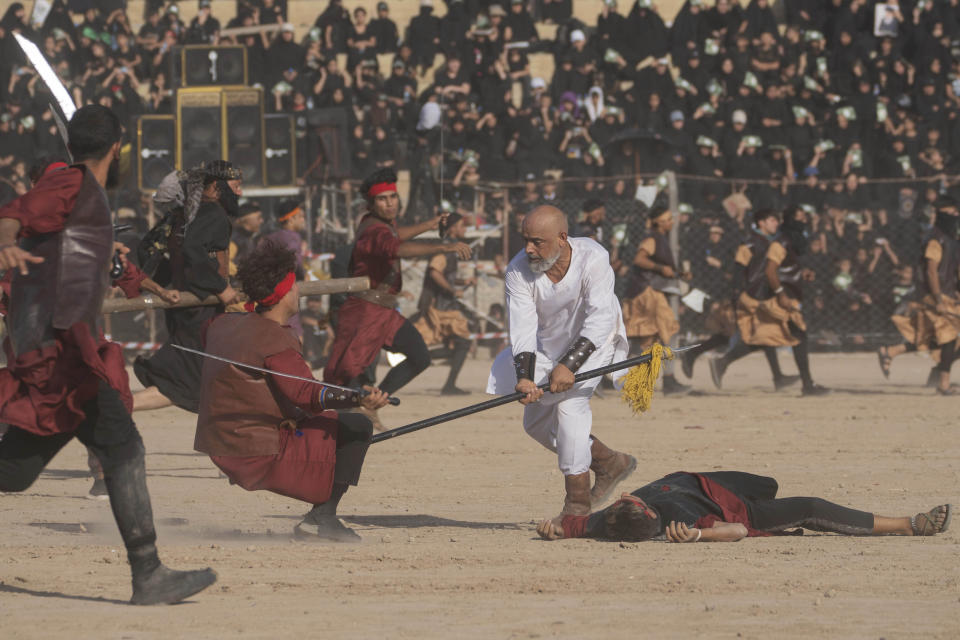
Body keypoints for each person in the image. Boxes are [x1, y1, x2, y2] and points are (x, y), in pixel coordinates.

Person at [0, 105, 216, 604]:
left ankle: (149, 573)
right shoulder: (72, 184)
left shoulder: (88, 196)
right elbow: (15, 212)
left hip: (66, 353)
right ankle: (149, 574)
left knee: (15, 472)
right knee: (124, 449)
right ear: (118, 148)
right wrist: (8, 242)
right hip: (59, 356)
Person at [196, 242, 390, 541]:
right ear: (286, 293)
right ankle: (321, 518)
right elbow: (307, 395)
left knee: (329, 421)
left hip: (219, 441)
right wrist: (357, 397)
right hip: (253, 449)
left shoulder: (220, 323)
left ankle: (320, 514)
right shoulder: (275, 339)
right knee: (357, 426)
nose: (299, 291)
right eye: (295, 285)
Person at [486, 205, 636, 530]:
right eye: (526, 240)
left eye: (537, 242)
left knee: (571, 408)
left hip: (595, 340)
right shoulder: (518, 270)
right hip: (548, 344)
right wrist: (525, 378)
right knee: (536, 425)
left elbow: (600, 317)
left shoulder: (593, 257)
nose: (528, 249)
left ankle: (577, 507)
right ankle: (610, 462)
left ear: (563, 238)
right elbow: (523, 328)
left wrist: (569, 365)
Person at [323, 168, 471, 426]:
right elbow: (396, 247)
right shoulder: (373, 231)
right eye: (382, 199)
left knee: (419, 356)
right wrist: (443, 246)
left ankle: (373, 402)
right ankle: (343, 423)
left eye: (393, 197)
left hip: (385, 312)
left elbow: (397, 234)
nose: (390, 203)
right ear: (371, 203)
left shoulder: (382, 224)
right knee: (348, 376)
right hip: (365, 311)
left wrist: (430, 223)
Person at [535, 470, 951, 542]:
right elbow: (733, 532)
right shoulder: (677, 521)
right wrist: (700, 534)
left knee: (768, 484)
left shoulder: (602, 522)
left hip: (706, 482)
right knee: (806, 505)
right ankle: (910, 525)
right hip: (737, 512)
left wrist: (550, 529)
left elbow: (565, 526)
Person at [133, 161, 242, 412]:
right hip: (201, 312)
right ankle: (115, 408)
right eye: (235, 187)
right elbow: (193, 249)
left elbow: (146, 250)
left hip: (186, 310)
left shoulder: (179, 216)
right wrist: (220, 288)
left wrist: (167, 280)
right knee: (184, 384)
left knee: (197, 381)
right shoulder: (213, 214)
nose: (240, 193)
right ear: (216, 187)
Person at [729, 207, 829, 396]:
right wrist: (781, 293)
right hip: (775, 297)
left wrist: (801, 274)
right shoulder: (779, 242)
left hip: (781, 295)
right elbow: (769, 271)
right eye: (799, 217)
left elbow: (785, 268)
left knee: (769, 336)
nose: (803, 221)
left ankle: (721, 363)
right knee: (797, 335)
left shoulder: (787, 242)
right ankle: (806, 384)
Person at [699, 209, 799, 390]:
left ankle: (777, 377)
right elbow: (739, 269)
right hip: (753, 295)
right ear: (761, 222)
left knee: (765, 335)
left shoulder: (770, 242)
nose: (775, 224)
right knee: (764, 335)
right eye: (772, 220)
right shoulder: (751, 243)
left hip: (763, 294)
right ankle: (723, 362)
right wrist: (737, 294)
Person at [881, 197, 960, 394]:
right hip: (937, 295)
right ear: (942, 214)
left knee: (937, 337)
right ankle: (943, 383)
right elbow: (932, 271)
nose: (956, 216)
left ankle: (892, 351)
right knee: (948, 336)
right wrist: (938, 298)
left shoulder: (951, 238)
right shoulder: (935, 239)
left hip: (950, 293)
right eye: (952, 213)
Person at [621, 205, 690, 394]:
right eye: (668, 219)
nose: (671, 222)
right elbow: (640, 260)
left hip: (650, 290)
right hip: (647, 292)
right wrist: (660, 268)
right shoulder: (652, 238)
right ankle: (668, 380)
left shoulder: (661, 239)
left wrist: (678, 273)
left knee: (647, 338)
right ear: (659, 221)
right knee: (665, 327)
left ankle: (611, 374)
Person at [413, 212, 476, 395]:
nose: (464, 229)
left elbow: (445, 276)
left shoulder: (450, 249)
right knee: (462, 343)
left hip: (444, 305)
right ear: (454, 228)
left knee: (457, 346)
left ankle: (446, 381)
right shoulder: (445, 249)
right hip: (440, 307)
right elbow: (435, 272)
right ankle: (448, 384)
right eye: (462, 226)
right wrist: (451, 290)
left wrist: (462, 283)